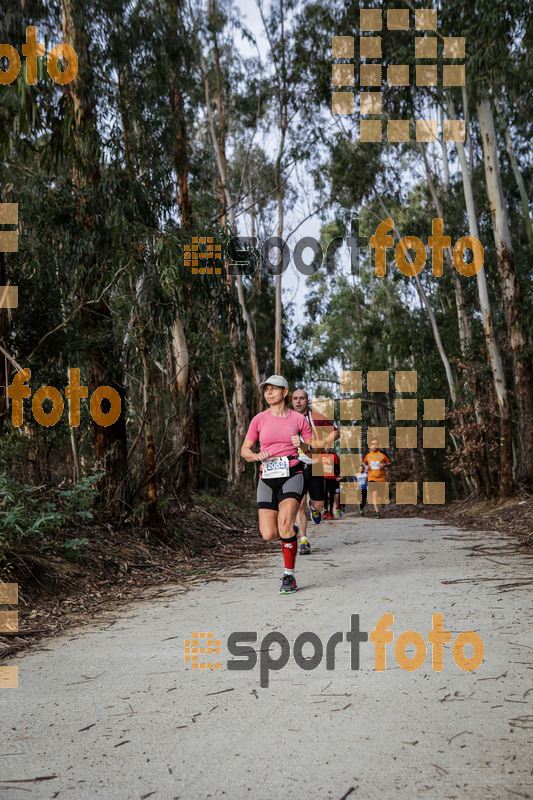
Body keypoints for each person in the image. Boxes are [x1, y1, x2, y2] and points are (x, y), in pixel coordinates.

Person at [241, 375, 313, 594]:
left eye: (274, 389)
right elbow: (244, 450)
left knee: (284, 523)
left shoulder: (298, 419)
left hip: (292, 473)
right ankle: (293, 530)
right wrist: (255, 456)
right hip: (267, 477)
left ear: (285, 392)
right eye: (266, 390)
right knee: (269, 534)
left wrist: (301, 444)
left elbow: (312, 450)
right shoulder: (259, 420)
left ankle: (289, 576)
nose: (269, 393)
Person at [291, 388, 340, 553]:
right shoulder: (286, 419)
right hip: (295, 465)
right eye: (295, 398)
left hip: (316, 464)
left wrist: (324, 442)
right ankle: (303, 540)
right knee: (299, 504)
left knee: (319, 505)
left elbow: (336, 432)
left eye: (302, 398)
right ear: (291, 401)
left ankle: (314, 508)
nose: (298, 401)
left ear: (307, 401)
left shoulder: (316, 418)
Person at [362, 438, 390, 518]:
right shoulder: (367, 454)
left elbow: (390, 462)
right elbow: (364, 462)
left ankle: (382, 501)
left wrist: (384, 465)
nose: (374, 445)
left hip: (381, 478)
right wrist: (366, 466)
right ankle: (377, 512)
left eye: (376, 444)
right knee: (374, 494)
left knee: (380, 497)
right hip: (371, 478)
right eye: (373, 444)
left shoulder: (382, 453)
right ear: (370, 445)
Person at [322, 447, 340, 519]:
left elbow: (337, 467)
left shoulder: (334, 456)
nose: (327, 448)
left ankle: (331, 512)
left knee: (332, 495)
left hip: (332, 478)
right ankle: (325, 511)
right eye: (326, 447)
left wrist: (336, 474)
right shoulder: (322, 455)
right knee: (325, 495)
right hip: (324, 477)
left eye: (329, 447)